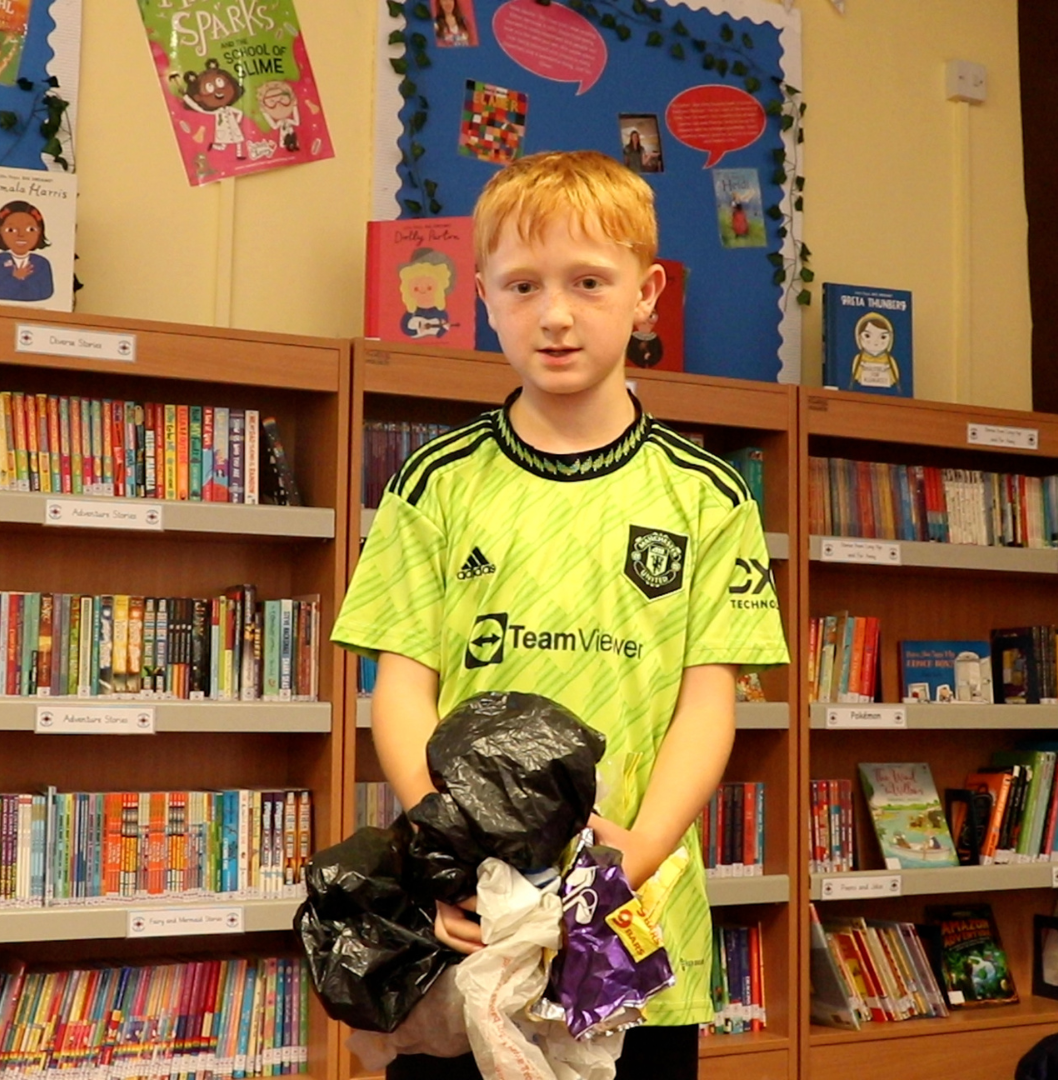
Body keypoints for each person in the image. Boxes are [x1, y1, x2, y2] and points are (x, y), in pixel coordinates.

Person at [333, 149, 788, 1080]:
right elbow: (401, 691)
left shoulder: (708, 497)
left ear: (647, 292)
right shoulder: (434, 485)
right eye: (522, 284)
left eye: (589, 282)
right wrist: (453, 856)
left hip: (636, 922)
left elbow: (710, 705)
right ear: (483, 296)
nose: (555, 313)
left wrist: (639, 847)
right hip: (470, 922)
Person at [0, 200, 56, 303]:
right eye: (11, 230)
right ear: (1, 231)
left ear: (39, 231)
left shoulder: (42, 263)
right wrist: (15, 278)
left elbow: (46, 293)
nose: (21, 235)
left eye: (30, 229)